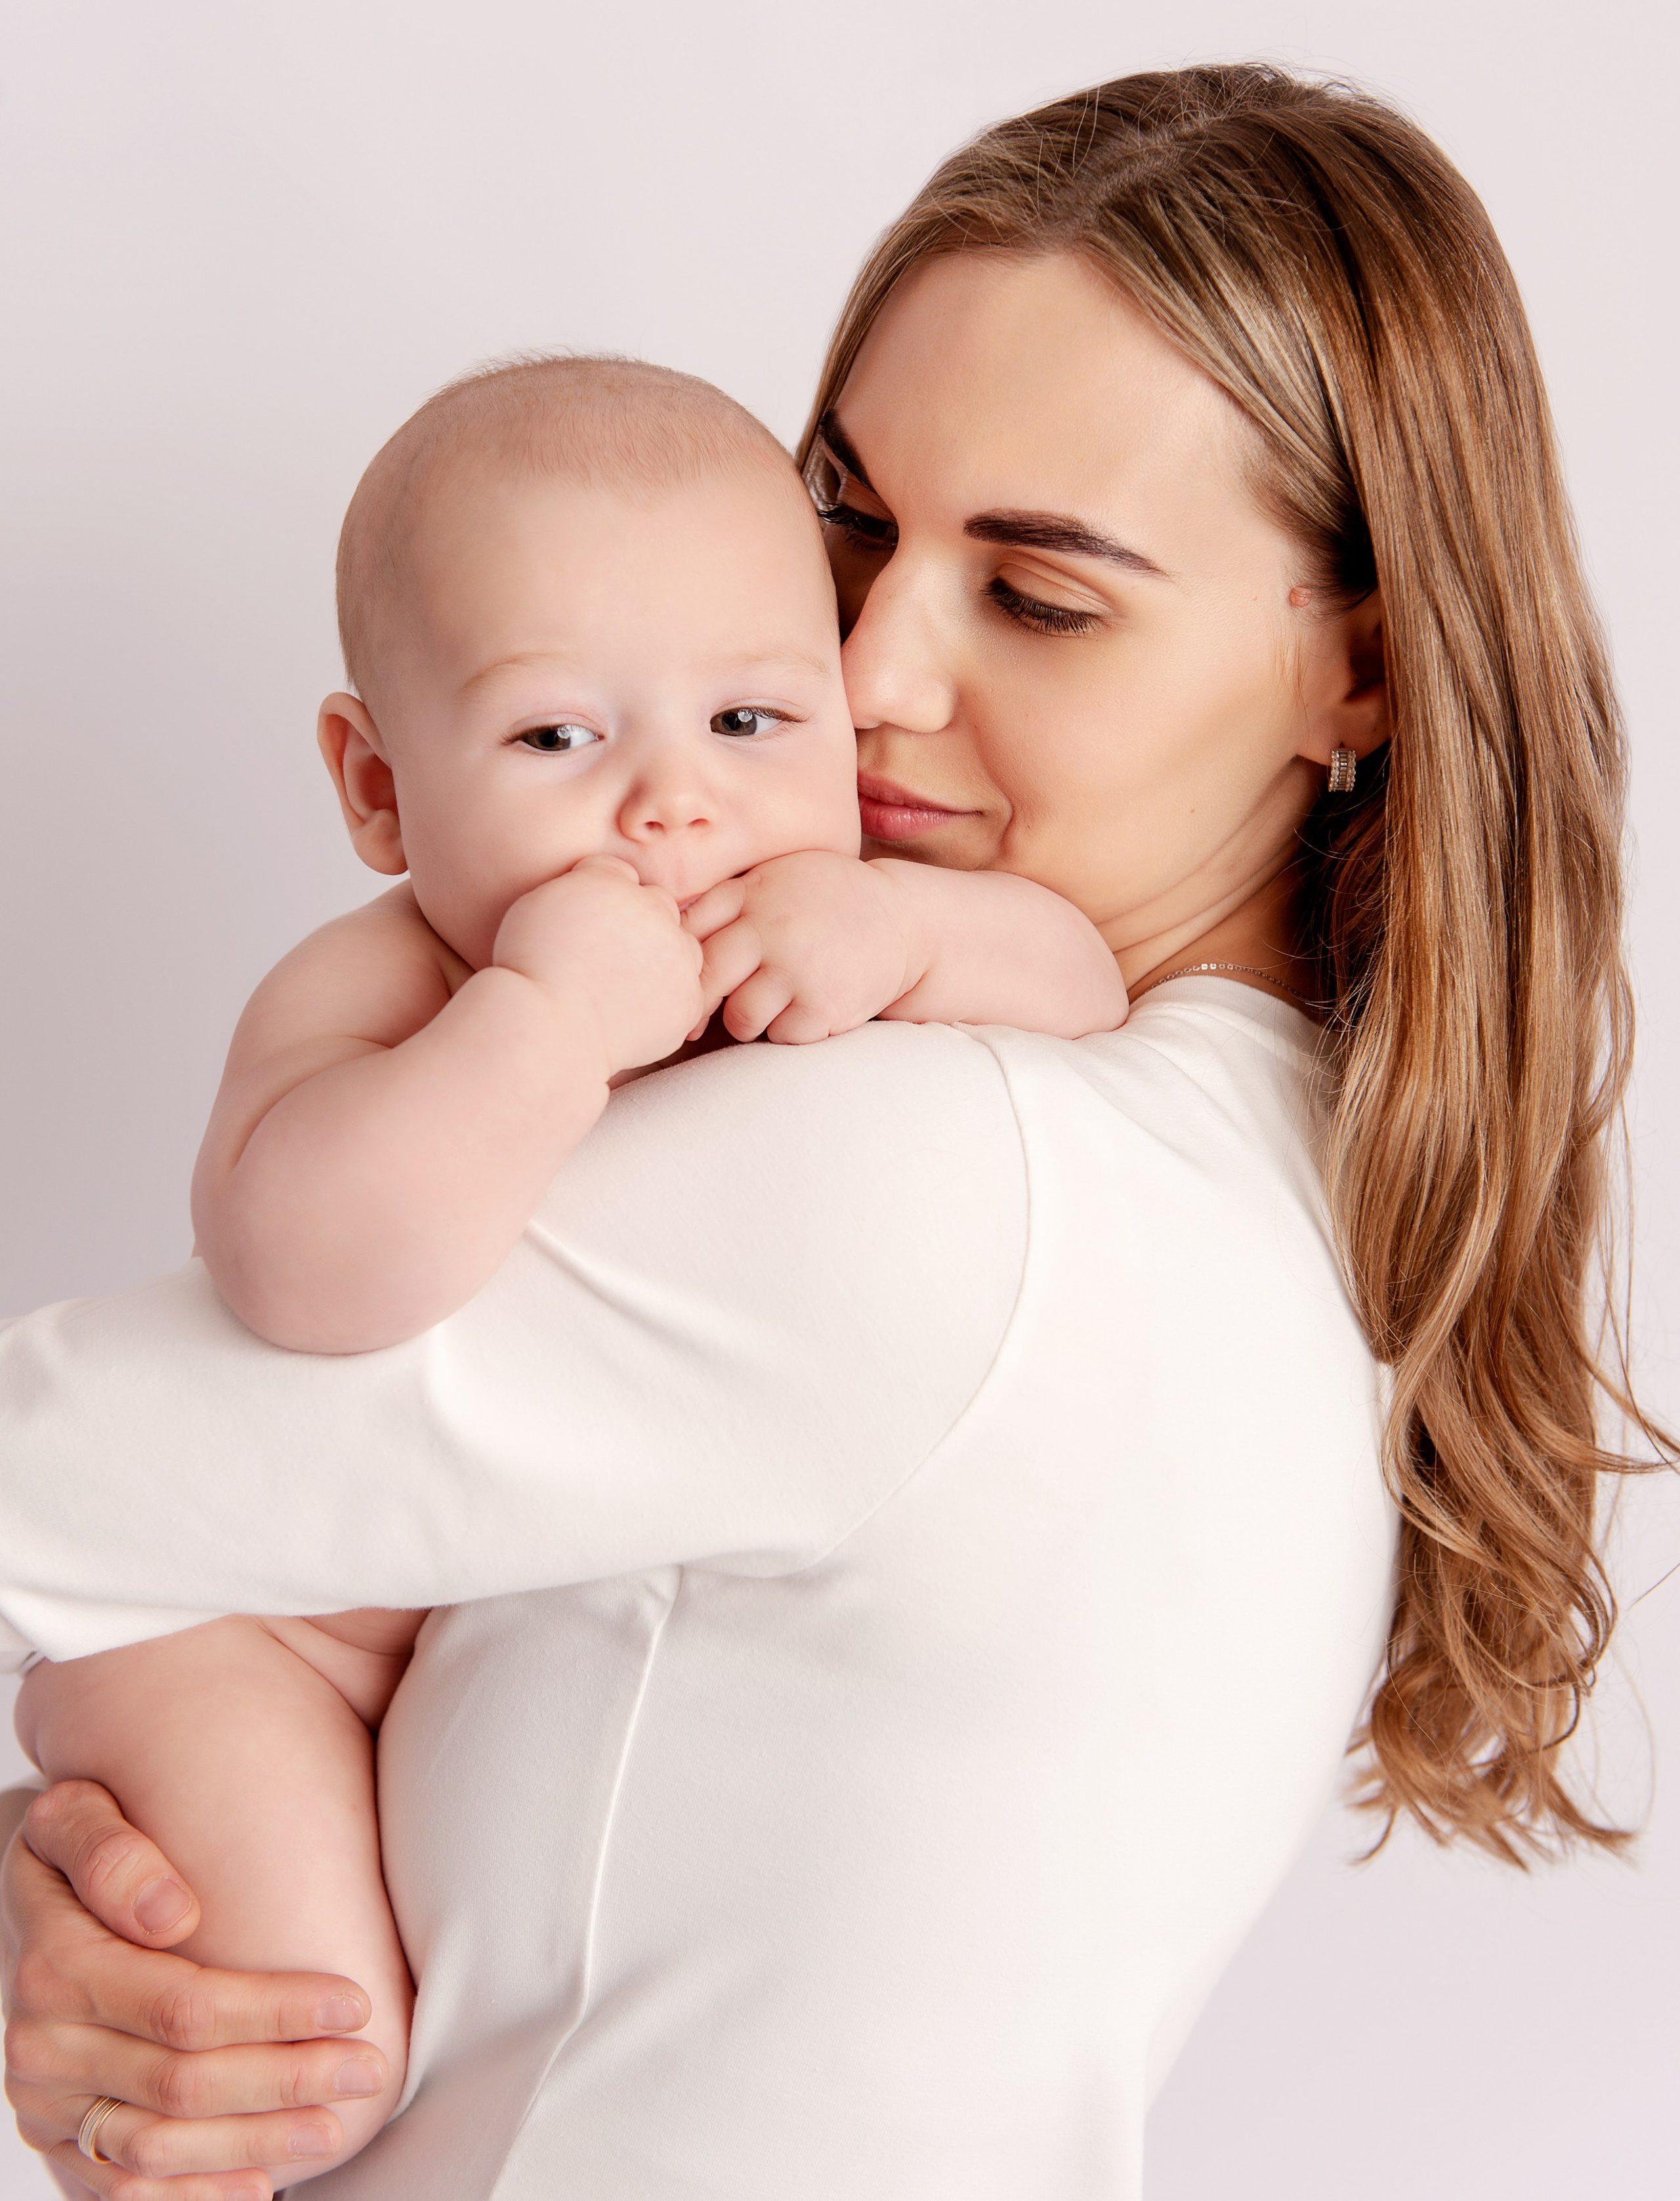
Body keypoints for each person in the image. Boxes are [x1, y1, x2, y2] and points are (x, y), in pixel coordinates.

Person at [0, 64, 1642, 2201]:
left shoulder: (963, 1178)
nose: (857, 673)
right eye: (847, 524)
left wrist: (85, 1904)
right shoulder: (1274, 1193)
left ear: (1365, 670)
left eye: (1039, 595)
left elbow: (49, 1477)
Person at [12, 346, 1126, 2176]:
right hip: (247, 1634)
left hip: (493, 1605)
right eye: (557, 738)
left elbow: (1081, 988)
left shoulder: (830, 929)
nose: (670, 809)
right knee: (310, 2049)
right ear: (378, 789)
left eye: (753, 725)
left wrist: (908, 926)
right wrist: (537, 1025)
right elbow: (301, 1272)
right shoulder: (385, 987)